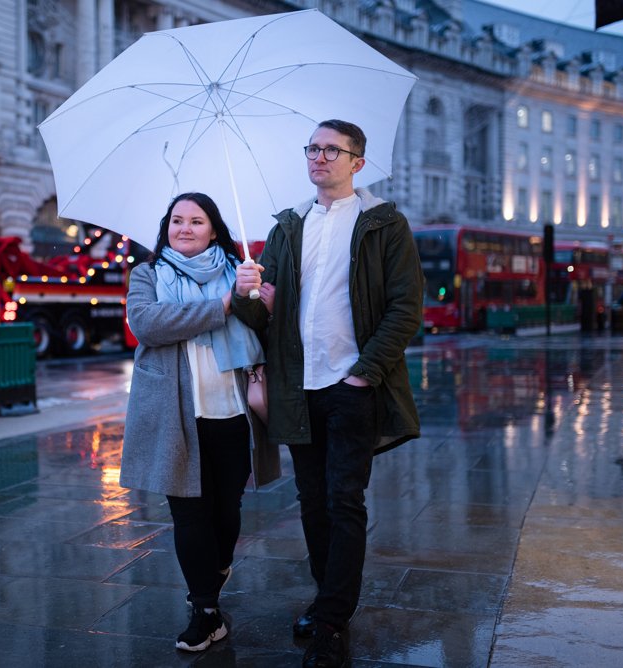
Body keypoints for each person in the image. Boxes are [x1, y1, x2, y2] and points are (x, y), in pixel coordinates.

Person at [232, 119, 423, 668]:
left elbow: (405, 308)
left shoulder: (382, 223)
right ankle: (326, 599)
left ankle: (333, 620)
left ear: (356, 162)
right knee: (312, 502)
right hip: (298, 386)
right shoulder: (287, 226)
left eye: (331, 150)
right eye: (312, 148)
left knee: (344, 501)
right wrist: (247, 294)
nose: (318, 157)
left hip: (350, 386)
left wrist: (363, 373)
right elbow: (261, 315)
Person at [120, 192, 280, 653]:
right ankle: (205, 612)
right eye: (176, 220)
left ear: (214, 229)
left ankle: (219, 567)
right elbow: (149, 324)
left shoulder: (239, 271)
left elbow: (266, 328)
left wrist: (254, 296)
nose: (184, 228)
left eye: (196, 220)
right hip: (175, 413)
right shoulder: (147, 274)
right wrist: (222, 306)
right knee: (188, 515)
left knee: (225, 510)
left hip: (232, 409)